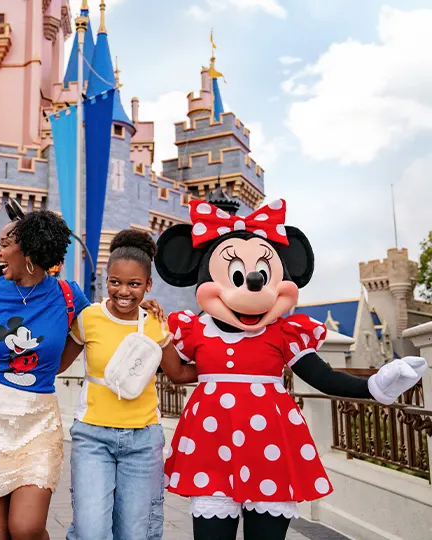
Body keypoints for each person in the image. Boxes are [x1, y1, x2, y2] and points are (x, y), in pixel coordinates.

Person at [154, 198, 427, 540]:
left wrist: (376, 385)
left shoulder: (285, 332)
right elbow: (171, 371)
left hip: (272, 450)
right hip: (211, 448)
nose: (251, 284)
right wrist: (146, 329)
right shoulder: (195, 329)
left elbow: (322, 377)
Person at [0, 210, 91, 540]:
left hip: (37, 423)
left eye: (5, 244)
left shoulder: (68, 295)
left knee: (26, 528)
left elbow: (99, 328)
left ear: (30, 251)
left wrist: (148, 313)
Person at [58, 229, 195, 540]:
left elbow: (178, 373)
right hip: (92, 436)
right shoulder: (88, 318)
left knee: (133, 535)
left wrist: (234, 366)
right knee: (91, 531)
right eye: (115, 282)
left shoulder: (156, 323)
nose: (123, 291)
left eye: (134, 284)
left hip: (143, 441)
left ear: (148, 285)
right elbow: (57, 364)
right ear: (107, 280)